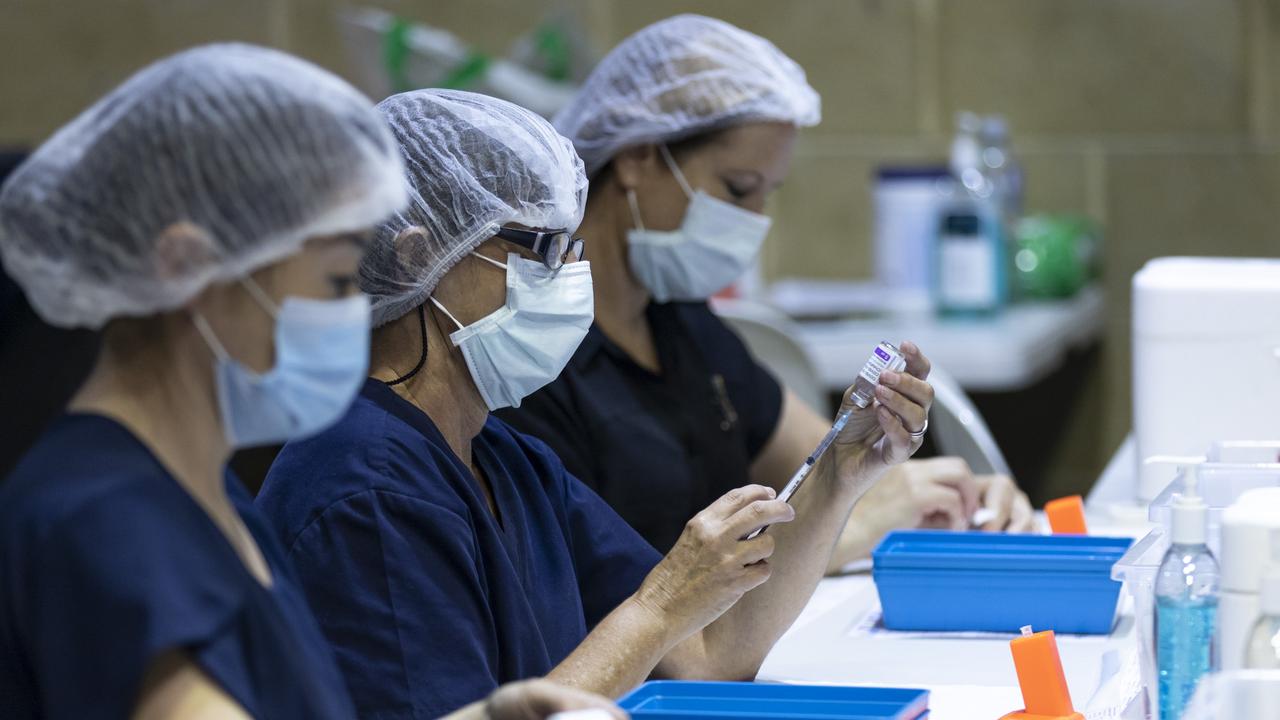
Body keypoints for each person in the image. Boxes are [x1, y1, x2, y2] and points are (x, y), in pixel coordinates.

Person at [256, 87, 934, 719]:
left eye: (572, 248)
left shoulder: (508, 462)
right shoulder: (365, 489)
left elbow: (707, 656)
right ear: (417, 257)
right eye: (542, 250)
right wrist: (660, 605)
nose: (571, 279)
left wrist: (840, 475)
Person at [0, 45, 623, 720]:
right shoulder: (106, 519)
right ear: (190, 267)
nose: (360, 309)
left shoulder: (204, 499)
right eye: (335, 280)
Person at [497, 15, 1034, 566]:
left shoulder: (680, 324)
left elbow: (830, 464)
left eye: (766, 195)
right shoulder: (536, 354)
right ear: (637, 155)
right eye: (738, 189)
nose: (752, 223)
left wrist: (949, 490)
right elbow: (620, 600)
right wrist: (854, 528)